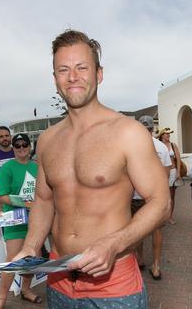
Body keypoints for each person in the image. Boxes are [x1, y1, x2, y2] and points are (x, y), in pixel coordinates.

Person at [13, 29, 170, 308]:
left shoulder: (128, 132)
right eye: (63, 69)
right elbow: (44, 200)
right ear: (55, 79)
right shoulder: (48, 140)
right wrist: (30, 246)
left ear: (99, 74)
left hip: (114, 287)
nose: (73, 77)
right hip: (58, 280)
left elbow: (161, 203)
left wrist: (114, 243)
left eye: (81, 67)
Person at [0, 133, 42, 308]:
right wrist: (25, 203)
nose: (22, 148)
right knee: (13, 260)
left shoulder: (37, 167)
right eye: (18, 145)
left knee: (31, 258)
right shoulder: (6, 169)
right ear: (13, 147)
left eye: (25, 145)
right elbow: (2, 196)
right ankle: (2, 299)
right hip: (15, 220)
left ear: (30, 147)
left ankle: (26, 291)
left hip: (36, 220)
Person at [134, 115, 171, 280]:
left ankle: (140, 259)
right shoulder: (161, 147)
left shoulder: (132, 146)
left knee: (137, 229)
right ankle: (156, 266)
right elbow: (167, 172)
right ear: (153, 129)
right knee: (156, 230)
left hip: (136, 195)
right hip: (156, 196)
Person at [158, 127, 182, 225]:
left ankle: (170, 217)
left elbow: (179, 160)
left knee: (171, 195)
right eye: (166, 133)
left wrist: (178, 172)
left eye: (169, 133)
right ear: (162, 135)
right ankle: (162, 217)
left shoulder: (173, 145)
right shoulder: (158, 145)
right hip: (161, 173)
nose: (168, 135)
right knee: (162, 196)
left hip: (172, 171)